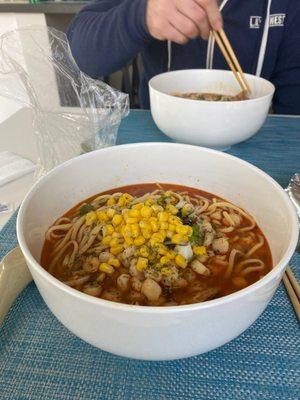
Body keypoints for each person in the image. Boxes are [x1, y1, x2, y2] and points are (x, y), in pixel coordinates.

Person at [67, 0, 300, 115]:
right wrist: (141, 15)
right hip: (158, 134)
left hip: (247, 139)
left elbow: (292, 118)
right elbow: (78, 55)